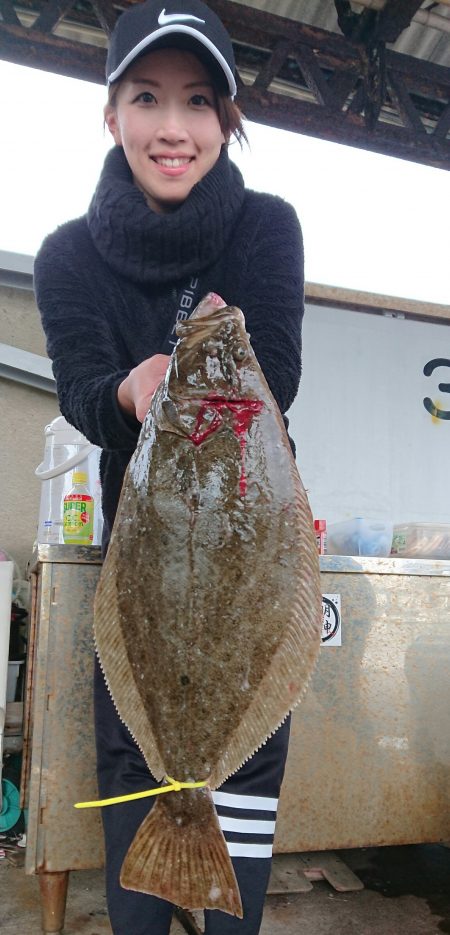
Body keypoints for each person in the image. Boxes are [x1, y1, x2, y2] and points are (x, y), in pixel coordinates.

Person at [34, 2, 305, 932]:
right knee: (139, 872)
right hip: (140, 581)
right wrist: (128, 391)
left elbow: (279, 374)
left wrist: (206, 373)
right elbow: (78, 383)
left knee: (237, 886)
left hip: (247, 583)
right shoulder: (68, 254)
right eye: (147, 98)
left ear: (228, 121)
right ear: (111, 113)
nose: (173, 127)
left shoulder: (268, 226)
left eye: (199, 102)